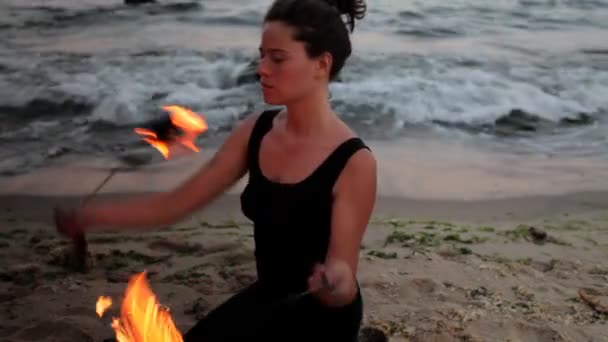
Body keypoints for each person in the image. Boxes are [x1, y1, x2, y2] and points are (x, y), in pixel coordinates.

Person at [54, 0, 376, 340]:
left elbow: (343, 271)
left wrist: (332, 284)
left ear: (321, 64)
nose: (261, 69)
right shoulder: (256, 131)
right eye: (262, 55)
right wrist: (92, 217)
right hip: (266, 296)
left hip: (321, 315)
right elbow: (174, 205)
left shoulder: (353, 161)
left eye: (277, 58)